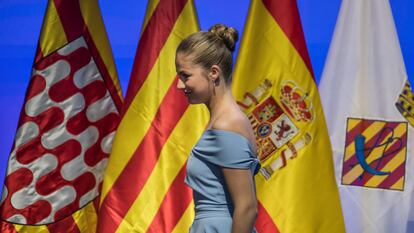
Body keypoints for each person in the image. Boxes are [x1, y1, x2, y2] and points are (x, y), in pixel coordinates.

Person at [175, 23, 261, 233]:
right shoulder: (227, 120)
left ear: (213, 72)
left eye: (185, 76)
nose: (179, 85)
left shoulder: (227, 125)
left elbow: (247, 207)